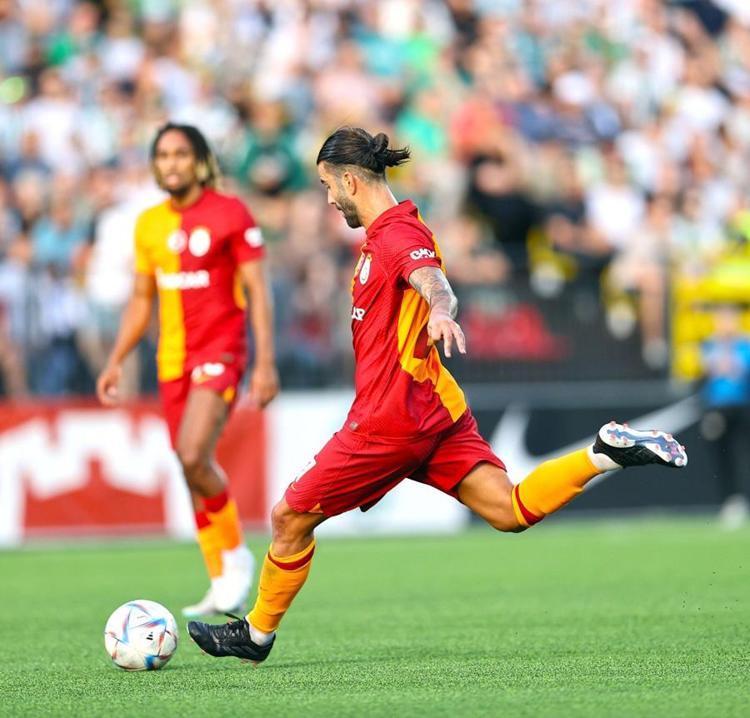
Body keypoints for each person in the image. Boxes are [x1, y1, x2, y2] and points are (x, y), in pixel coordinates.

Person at [188, 127, 687, 662]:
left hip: (389, 421)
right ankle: (603, 453)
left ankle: (257, 634)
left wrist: (442, 311)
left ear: (350, 181)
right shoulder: (389, 232)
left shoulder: (397, 234)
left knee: (289, 517)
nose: (328, 199)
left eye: (328, 186)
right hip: (434, 410)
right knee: (509, 509)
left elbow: (432, 281)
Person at [96, 123, 279, 616]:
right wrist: (116, 358)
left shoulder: (230, 213)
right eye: (162, 155)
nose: (171, 163)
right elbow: (142, 299)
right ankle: (220, 577)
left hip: (221, 351)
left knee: (194, 453)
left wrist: (265, 362)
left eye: (180, 154)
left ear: (199, 161)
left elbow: (258, 290)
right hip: (172, 360)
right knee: (187, 463)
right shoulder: (149, 224)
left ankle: (236, 555)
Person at [698, 305, 750, 529]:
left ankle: (743, 499)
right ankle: (730, 501)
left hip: (743, 408)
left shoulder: (745, 345)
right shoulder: (709, 346)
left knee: (743, 455)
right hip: (718, 410)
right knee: (723, 457)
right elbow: (706, 378)